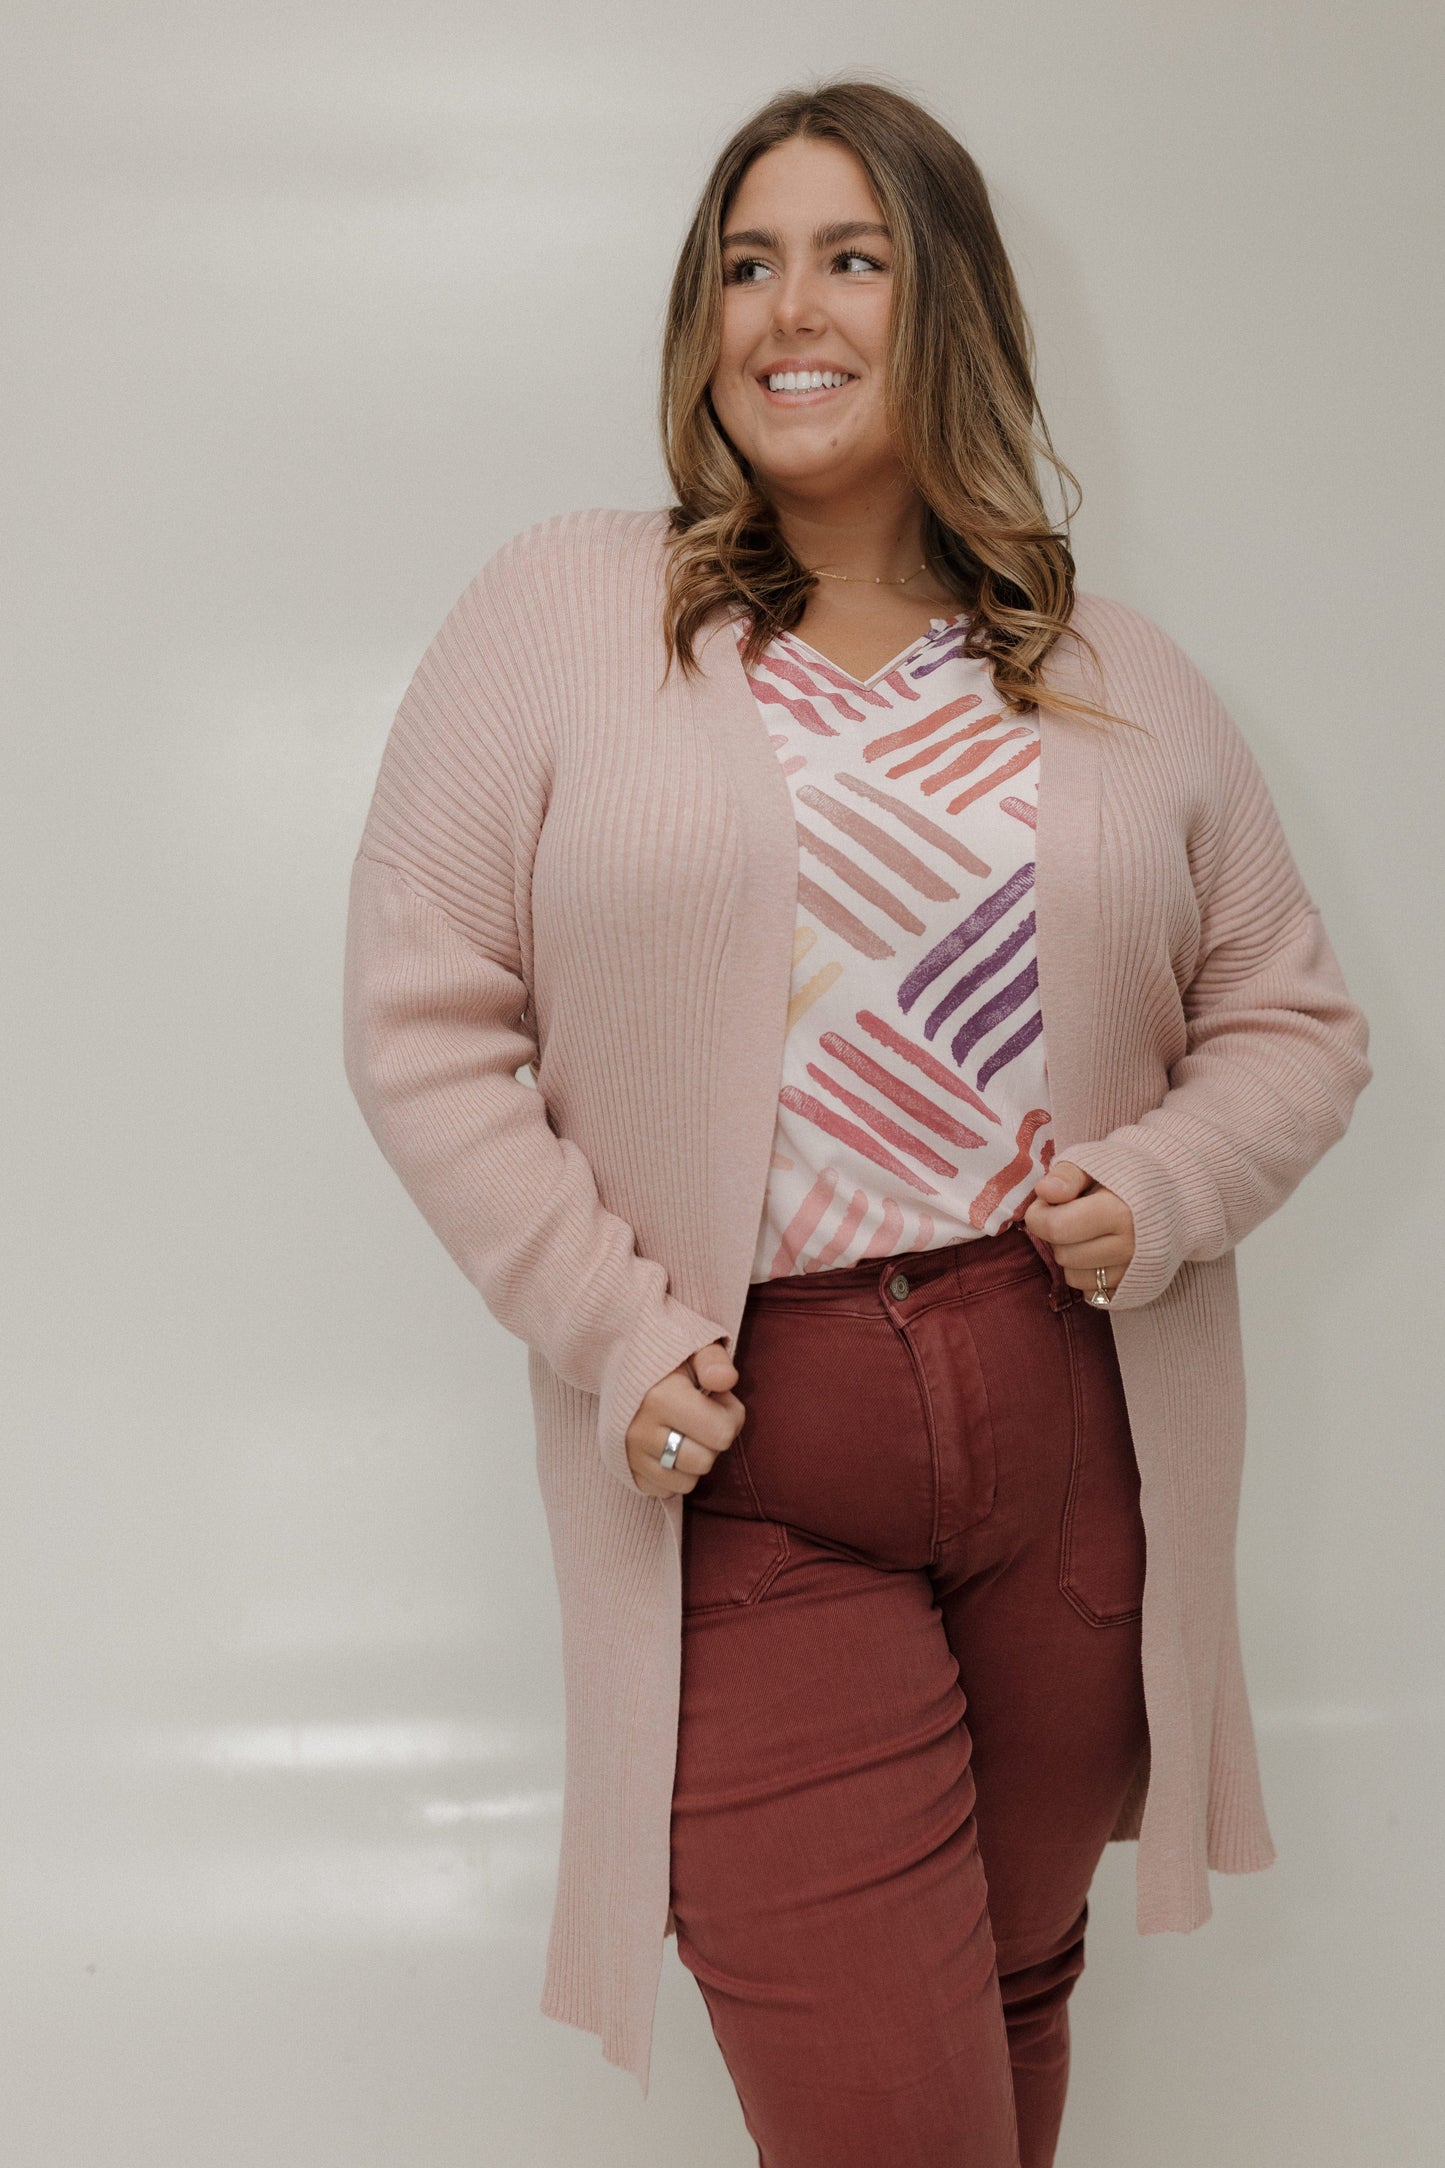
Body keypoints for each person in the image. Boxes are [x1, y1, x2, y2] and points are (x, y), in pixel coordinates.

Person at [342, 78, 1372, 2168]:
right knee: (897, 2123)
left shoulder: (1115, 676)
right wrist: (620, 1331)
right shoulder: (568, 611)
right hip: (750, 1465)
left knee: (1005, 2015)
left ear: (951, 310)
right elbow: (423, 1015)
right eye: (744, 259)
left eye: (849, 255)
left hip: (1063, 1439)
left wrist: (1158, 1187)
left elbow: (1293, 1018)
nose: (783, 308)